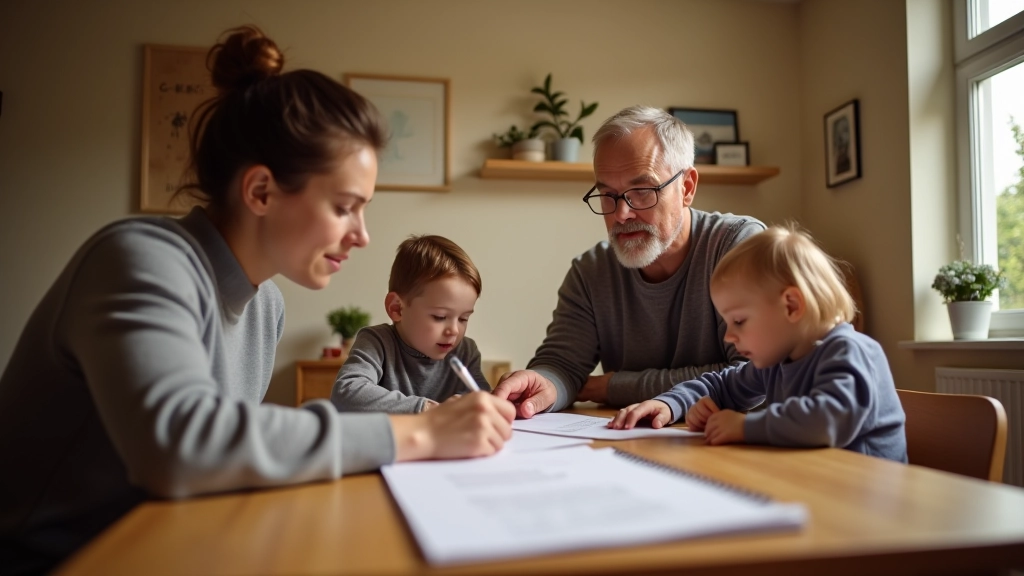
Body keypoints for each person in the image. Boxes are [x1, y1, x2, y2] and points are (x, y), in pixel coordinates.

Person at [0, 26, 514, 574]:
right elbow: (183, 447)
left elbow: (227, 458)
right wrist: (422, 429)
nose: (361, 234)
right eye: (344, 207)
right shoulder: (139, 259)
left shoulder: (265, 304)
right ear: (261, 191)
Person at [493, 105, 765, 417]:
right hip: (632, 440)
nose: (621, 214)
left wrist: (613, 386)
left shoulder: (739, 247)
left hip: (740, 443)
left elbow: (755, 376)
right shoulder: (591, 271)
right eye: (607, 194)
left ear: (687, 187)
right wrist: (541, 382)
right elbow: (563, 366)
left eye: (642, 191)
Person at [608, 226, 907, 463]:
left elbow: (826, 420)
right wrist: (674, 404)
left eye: (738, 321)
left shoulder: (849, 352)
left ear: (791, 306)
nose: (729, 337)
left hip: (869, 509)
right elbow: (720, 385)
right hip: (821, 488)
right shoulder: (779, 358)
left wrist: (744, 426)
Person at [331, 234, 490, 413]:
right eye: (439, 317)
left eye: (463, 319)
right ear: (397, 309)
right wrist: (428, 409)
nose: (454, 330)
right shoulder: (377, 342)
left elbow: (480, 400)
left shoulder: (466, 352)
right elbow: (346, 393)